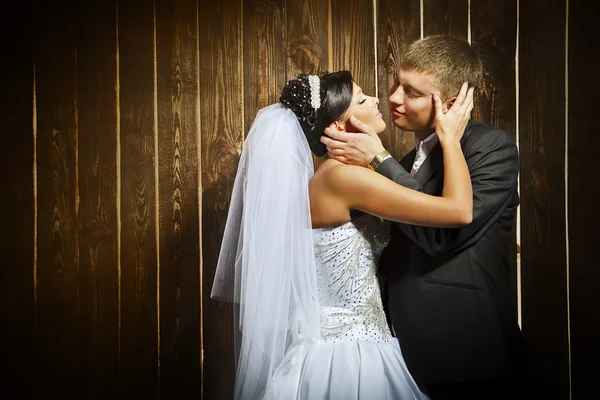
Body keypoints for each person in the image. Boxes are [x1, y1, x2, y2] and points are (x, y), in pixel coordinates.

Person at [211, 70, 474, 399]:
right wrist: (449, 138)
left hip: (336, 347)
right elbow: (460, 210)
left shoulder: (329, 177)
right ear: (337, 126)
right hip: (352, 357)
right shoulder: (343, 180)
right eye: (362, 99)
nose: (378, 99)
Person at [321, 35, 525, 399]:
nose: (394, 98)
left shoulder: (492, 149)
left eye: (411, 92)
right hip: (399, 352)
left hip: (466, 354)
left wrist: (378, 159)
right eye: (396, 84)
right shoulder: (399, 165)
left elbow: (440, 236)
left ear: (449, 103)